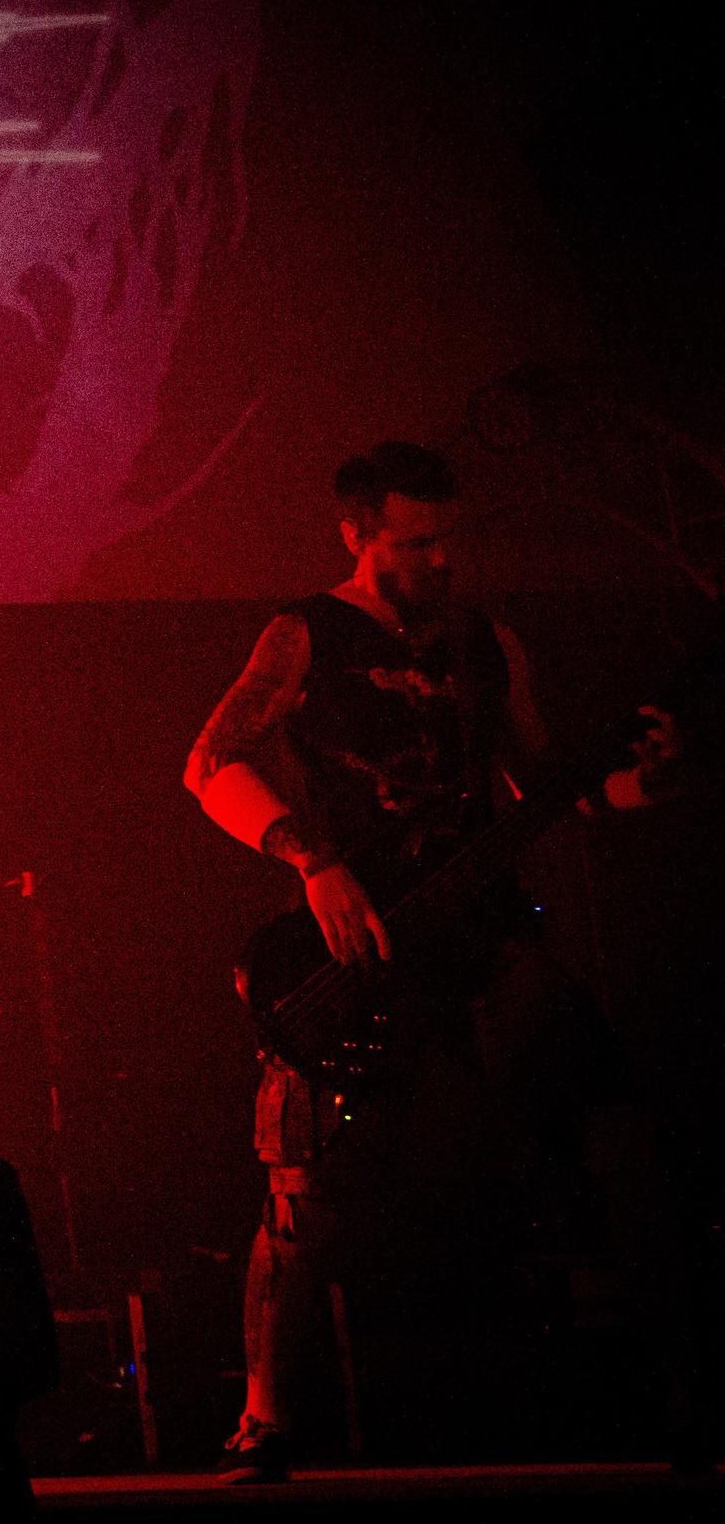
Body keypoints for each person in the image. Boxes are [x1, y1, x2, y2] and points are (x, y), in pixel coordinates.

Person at [183, 443, 692, 1482]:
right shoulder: (305, 634)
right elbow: (210, 761)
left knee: (620, 1139)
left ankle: (694, 1398)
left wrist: (643, 785)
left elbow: (550, 789)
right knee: (303, 1185)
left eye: (447, 539)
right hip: (361, 937)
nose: (439, 560)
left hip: (489, 934)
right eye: (414, 544)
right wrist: (314, 862)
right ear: (357, 535)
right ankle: (265, 1416)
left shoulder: (486, 642)